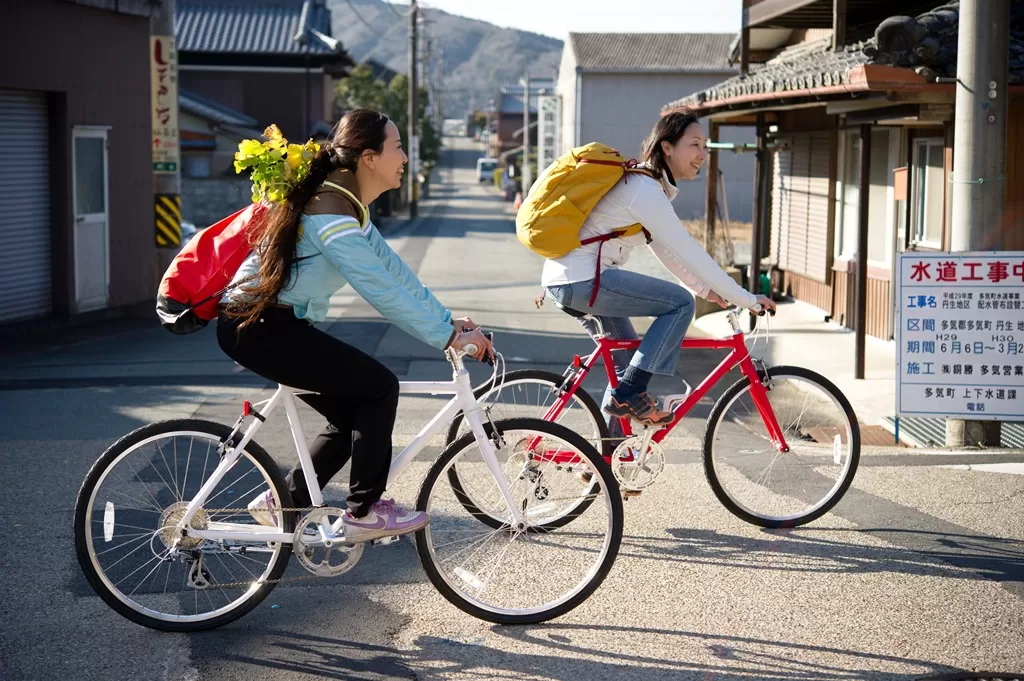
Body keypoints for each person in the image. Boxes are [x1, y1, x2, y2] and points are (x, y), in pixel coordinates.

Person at [218, 109, 494, 542]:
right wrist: (447, 337)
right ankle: (363, 512)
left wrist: (448, 322)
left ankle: (283, 502)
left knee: (354, 415)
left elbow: (395, 272)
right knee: (379, 388)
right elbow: (379, 289)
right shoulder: (331, 217)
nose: (404, 158)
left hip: (272, 324)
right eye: (398, 147)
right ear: (369, 157)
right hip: (258, 327)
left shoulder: (346, 206)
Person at [541, 108, 775, 429]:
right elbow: (687, 249)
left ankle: (607, 460)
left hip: (573, 279)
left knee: (626, 374)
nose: (702, 154)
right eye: (695, 144)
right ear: (667, 147)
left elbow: (666, 251)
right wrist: (745, 297)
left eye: (705, 147)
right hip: (584, 281)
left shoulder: (647, 186)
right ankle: (630, 394)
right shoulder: (644, 189)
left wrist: (709, 290)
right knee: (680, 305)